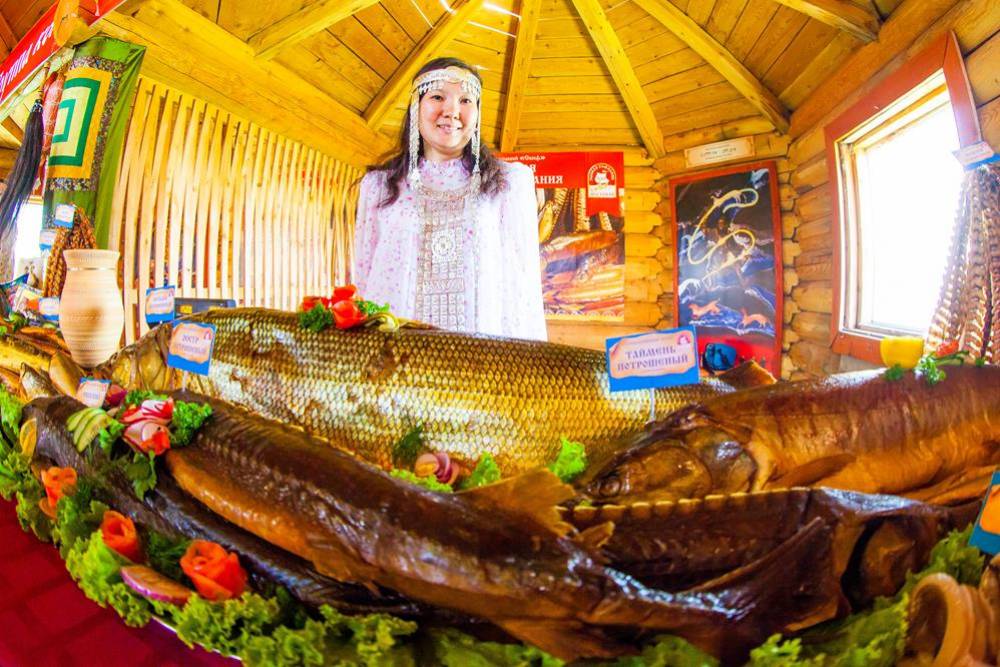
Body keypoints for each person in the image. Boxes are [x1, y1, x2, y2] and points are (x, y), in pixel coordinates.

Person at [352, 57, 547, 341]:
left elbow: (523, 287)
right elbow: (363, 277)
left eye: (466, 100)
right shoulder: (379, 186)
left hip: (480, 358)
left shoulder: (509, 183)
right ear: (416, 106)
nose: (452, 111)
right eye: (438, 96)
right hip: (394, 356)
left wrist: (525, 360)